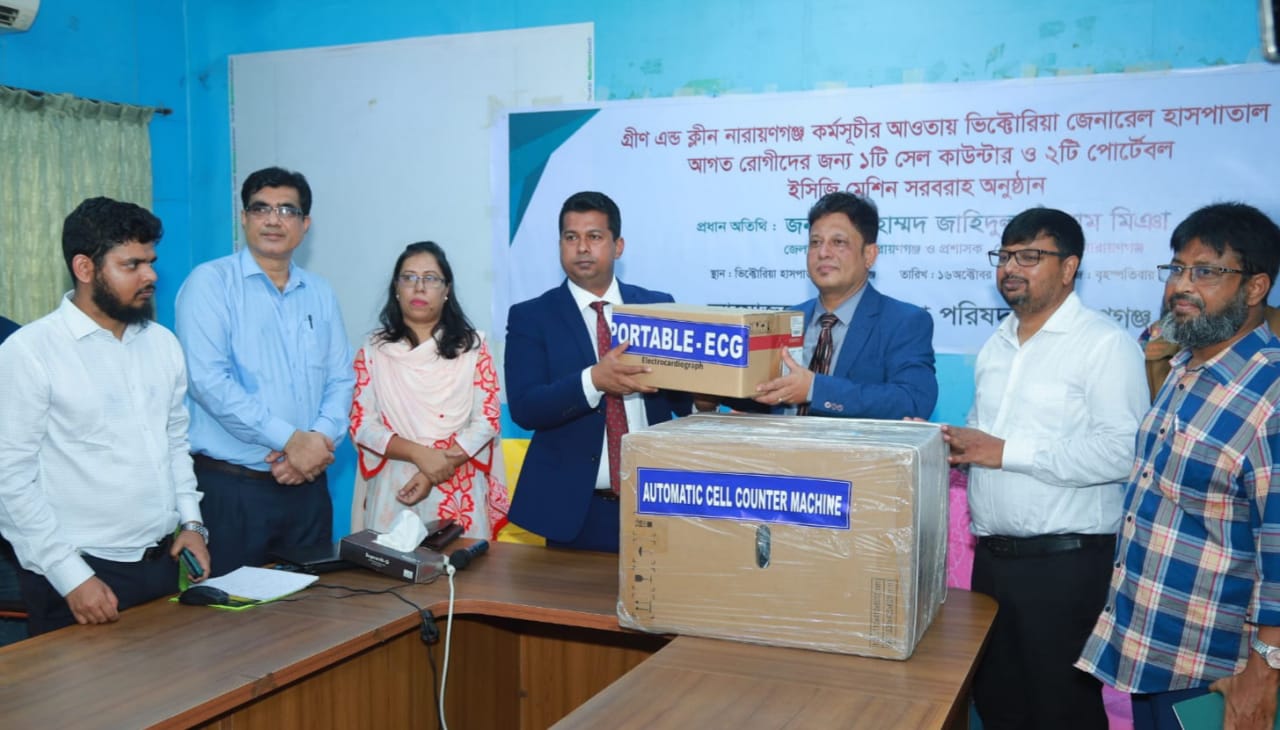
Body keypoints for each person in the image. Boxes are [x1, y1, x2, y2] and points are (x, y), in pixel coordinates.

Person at [942, 208, 1148, 730]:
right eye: (1005, 255)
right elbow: (983, 438)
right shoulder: (997, 344)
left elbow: (1123, 453)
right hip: (993, 564)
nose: (1011, 267)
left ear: (1069, 267)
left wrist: (1005, 451)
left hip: (1065, 568)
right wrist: (946, 444)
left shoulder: (1104, 344)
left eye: (1030, 256)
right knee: (998, 706)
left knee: (1061, 712)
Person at [1077, 203, 1280, 730]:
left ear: (1255, 288)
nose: (1181, 286)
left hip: (1219, 676)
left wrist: (1264, 674)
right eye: (1177, 269)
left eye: (1206, 271)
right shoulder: (1184, 367)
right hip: (1153, 653)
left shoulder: (1271, 396)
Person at [0, 197, 210, 635]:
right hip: (77, 576)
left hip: (159, 564)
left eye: (150, 262)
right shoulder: (30, 352)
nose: (150, 275)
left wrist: (191, 523)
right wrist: (70, 577)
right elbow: (10, 479)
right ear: (85, 268)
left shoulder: (162, 344)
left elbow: (174, 443)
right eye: (131, 264)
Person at [176, 167, 354, 576]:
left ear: (305, 224)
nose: (274, 220)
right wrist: (290, 440)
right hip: (232, 491)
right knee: (233, 610)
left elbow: (341, 379)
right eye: (261, 208)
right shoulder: (210, 284)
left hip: (308, 490)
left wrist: (315, 444)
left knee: (314, 605)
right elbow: (208, 382)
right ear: (244, 218)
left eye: (287, 210)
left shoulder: (321, 292)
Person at [505, 191, 691, 552]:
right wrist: (594, 380)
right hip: (576, 511)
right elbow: (526, 407)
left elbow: (680, 402)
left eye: (594, 236)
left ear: (617, 246)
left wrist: (703, 400)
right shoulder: (531, 317)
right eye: (570, 237)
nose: (582, 248)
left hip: (656, 501)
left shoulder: (658, 307)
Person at [350, 241, 509, 538]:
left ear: (447, 289)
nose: (419, 287)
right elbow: (362, 424)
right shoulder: (374, 350)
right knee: (391, 563)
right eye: (408, 278)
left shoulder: (472, 348)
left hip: (457, 481)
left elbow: (487, 420)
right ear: (396, 288)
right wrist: (418, 455)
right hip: (395, 482)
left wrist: (433, 469)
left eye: (431, 278)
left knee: (460, 566)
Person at [748, 191, 937, 418]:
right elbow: (765, 396)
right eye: (815, 242)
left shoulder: (903, 322)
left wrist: (814, 389)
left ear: (869, 254)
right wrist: (714, 395)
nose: (823, 253)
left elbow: (913, 400)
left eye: (838, 242)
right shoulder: (787, 319)